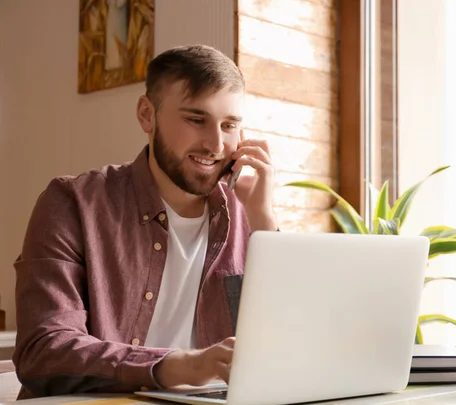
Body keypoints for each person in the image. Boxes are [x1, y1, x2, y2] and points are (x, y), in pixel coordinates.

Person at [12, 44, 277, 399]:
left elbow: (292, 350)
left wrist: (264, 222)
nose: (216, 144)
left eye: (230, 125)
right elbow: (43, 350)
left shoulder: (249, 212)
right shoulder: (73, 203)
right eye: (196, 119)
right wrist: (185, 365)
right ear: (146, 115)